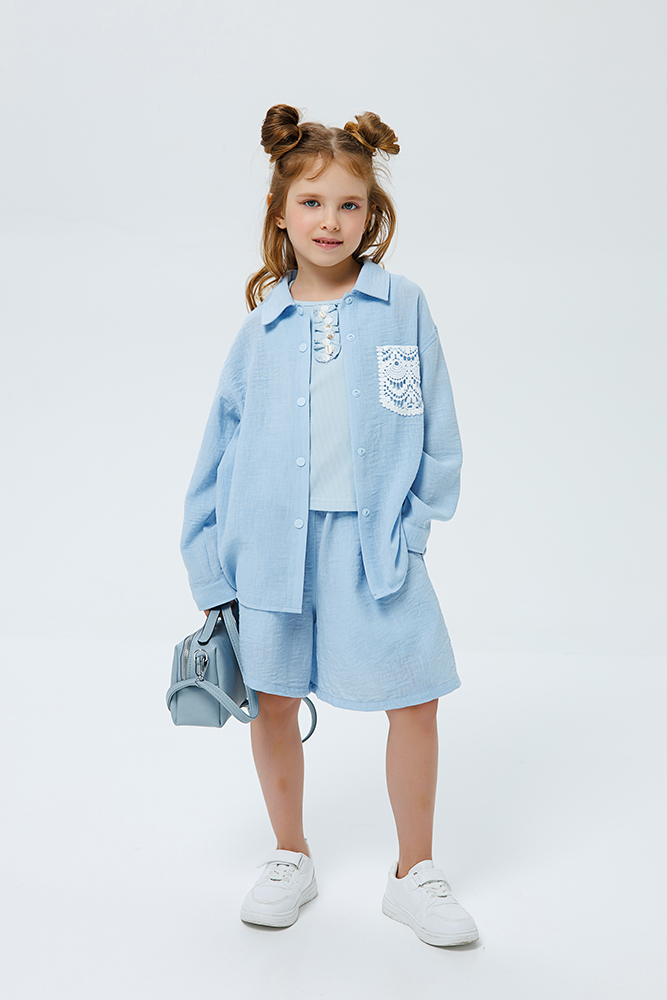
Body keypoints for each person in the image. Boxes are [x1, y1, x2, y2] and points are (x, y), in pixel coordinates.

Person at [180, 104, 478, 947]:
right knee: (273, 702)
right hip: (270, 551)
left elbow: (438, 433)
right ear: (280, 213)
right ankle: (290, 854)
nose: (330, 220)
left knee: (414, 698)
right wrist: (211, 568)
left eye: (350, 204)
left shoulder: (400, 306)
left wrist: (410, 534)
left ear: (371, 214)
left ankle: (414, 872)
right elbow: (216, 454)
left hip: (375, 549)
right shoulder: (260, 330)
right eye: (311, 203)